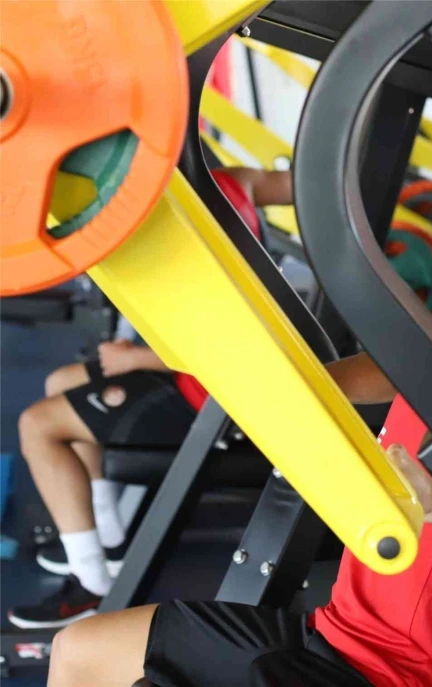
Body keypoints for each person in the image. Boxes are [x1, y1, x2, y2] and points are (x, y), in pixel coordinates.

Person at [48, 131, 432, 687]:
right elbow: (364, 375)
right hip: (330, 637)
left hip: (393, 676)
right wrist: (253, 367)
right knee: (82, 652)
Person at [6, 166, 292, 629]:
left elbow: (229, 345)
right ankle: (109, 537)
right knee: (62, 381)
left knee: (38, 425)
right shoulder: (232, 183)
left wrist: (136, 358)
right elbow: (307, 184)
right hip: (199, 370)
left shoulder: (183, 219)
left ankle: (90, 586)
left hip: (212, 394)